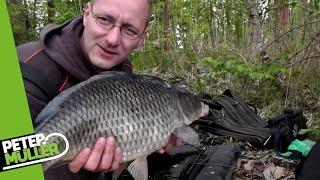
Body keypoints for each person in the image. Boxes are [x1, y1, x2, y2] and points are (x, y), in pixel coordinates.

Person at [17, 0, 181, 179]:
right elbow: (17, 164)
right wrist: (81, 166)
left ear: (142, 37)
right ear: (86, 14)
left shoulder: (123, 70)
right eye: (104, 19)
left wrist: (150, 139)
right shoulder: (24, 72)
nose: (112, 39)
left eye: (130, 30)